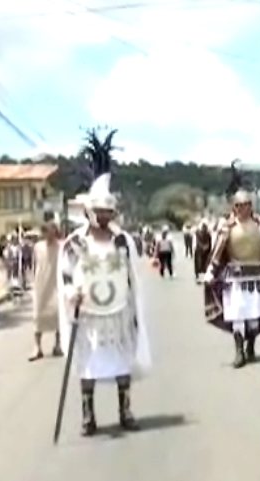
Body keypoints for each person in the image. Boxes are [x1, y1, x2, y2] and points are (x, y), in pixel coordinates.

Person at [57, 173, 152, 436]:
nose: (104, 217)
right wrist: (70, 294)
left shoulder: (122, 241)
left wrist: (134, 310)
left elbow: (132, 277)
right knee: (89, 363)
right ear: (89, 212)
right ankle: (88, 416)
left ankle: (126, 410)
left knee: (122, 361)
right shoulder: (74, 243)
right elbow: (66, 274)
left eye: (108, 212)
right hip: (88, 314)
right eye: (99, 211)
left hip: (118, 312)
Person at [203, 180, 260, 368]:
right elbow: (217, 254)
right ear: (234, 207)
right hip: (235, 278)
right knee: (237, 314)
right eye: (238, 205)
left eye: (246, 205)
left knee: (253, 317)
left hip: (256, 277)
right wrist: (210, 272)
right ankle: (239, 352)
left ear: (250, 206)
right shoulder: (227, 228)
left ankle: (250, 347)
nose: (242, 209)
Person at [30, 220, 64, 361]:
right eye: (45, 231)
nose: (48, 234)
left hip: (57, 283)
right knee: (38, 315)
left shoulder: (62, 247)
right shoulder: (38, 247)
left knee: (58, 314)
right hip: (41, 284)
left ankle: (58, 345)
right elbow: (33, 264)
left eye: (51, 231)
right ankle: (37, 347)